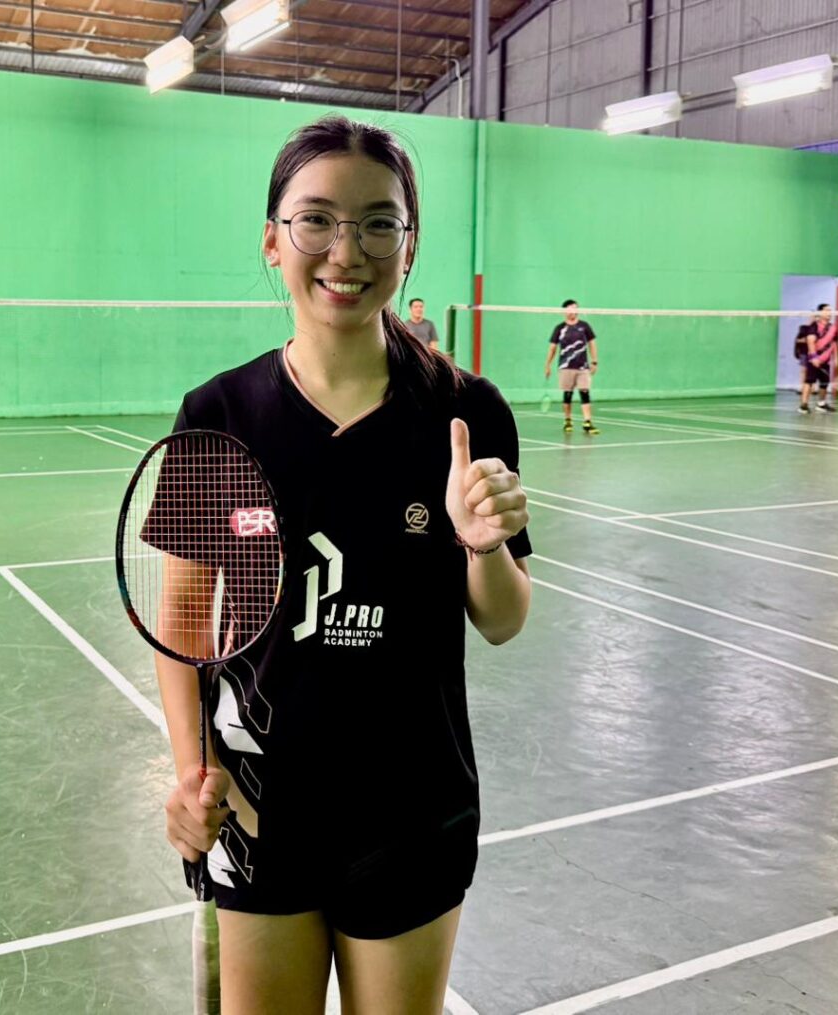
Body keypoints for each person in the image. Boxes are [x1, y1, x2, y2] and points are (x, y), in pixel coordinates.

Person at [156, 116, 533, 1015]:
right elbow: (181, 621)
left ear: (410, 244)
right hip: (258, 805)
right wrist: (190, 770)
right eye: (316, 219)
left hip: (413, 808)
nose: (346, 250)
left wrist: (482, 545)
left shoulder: (467, 411)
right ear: (272, 238)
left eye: (378, 223)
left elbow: (504, 617)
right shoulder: (217, 415)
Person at [544, 299, 599, 434]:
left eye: (576, 308)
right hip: (565, 367)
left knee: (585, 392)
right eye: (571, 308)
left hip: (583, 367)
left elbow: (592, 344)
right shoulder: (560, 328)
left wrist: (594, 361)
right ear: (565, 311)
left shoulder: (584, 326)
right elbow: (552, 348)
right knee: (567, 394)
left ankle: (587, 422)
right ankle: (567, 420)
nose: (574, 311)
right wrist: (548, 365)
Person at [799, 303, 838, 414]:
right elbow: (810, 341)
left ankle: (821, 404)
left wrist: (836, 358)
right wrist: (814, 357)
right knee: (809, 381)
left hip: (826, 360)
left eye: (830, 310)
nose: (829, 313)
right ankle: (803, 405)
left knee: (824, 382)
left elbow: (834, 343)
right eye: (826, 310)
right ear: (820, 313)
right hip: (814, 359)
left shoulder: (833, 327)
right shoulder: (814, 326)